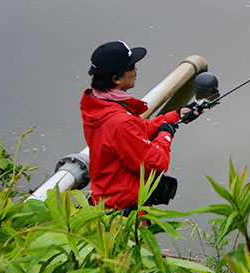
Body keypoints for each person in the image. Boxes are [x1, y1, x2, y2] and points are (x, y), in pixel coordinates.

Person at [80, 41, 202, 211]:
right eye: (131, 67)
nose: (136, 69)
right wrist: (165, 136)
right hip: (124, 211)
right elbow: (155, 163)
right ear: (116, 78)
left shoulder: (99, 104)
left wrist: (175, 116)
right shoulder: (119, 121)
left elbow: (135, 133)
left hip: (105, 197)